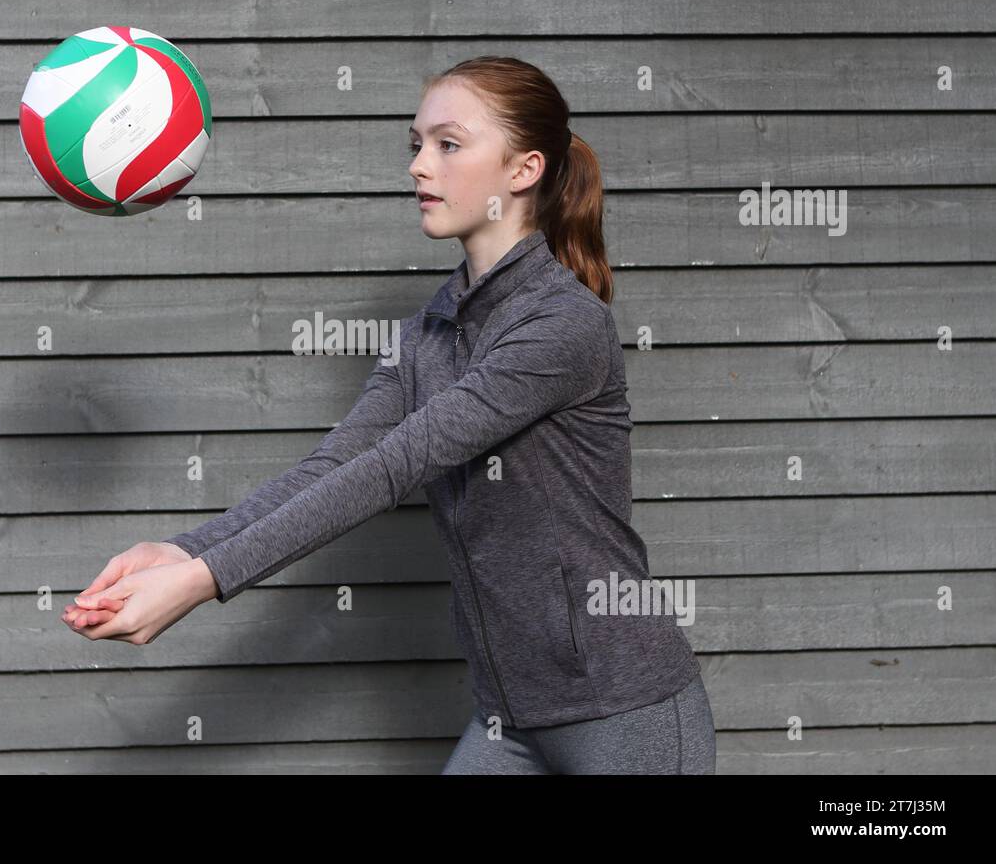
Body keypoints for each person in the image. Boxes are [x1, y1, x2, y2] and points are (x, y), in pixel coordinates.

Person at [62, 55, 716, 774]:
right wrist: (190, 549)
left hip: (625, 712)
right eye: (416, 144)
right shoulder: (429, 333)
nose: (418, 166)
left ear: (523, 171)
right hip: (509, 715)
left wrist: (204, 581)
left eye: (448, 143)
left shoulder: (562, 327)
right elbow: (338, 462)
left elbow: (396, 465)